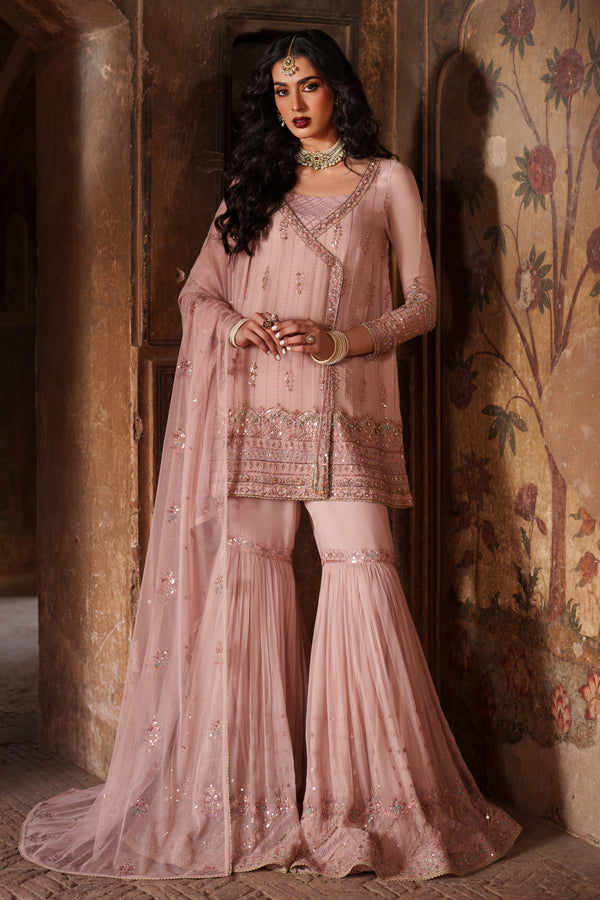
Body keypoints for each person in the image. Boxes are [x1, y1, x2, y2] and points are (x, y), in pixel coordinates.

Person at [20, 30, 520, 880]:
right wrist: (234, 322)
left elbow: (425, 303)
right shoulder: (255, 186)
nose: (295, 104)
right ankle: (243, 799)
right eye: (282, 90)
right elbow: (197, 292)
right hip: (253, 411)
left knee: (362, 574)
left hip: (347, 412)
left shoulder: (386, 181)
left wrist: (341, 340)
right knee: (247, 583)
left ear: (339, 91)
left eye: (310, 86)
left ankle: (364, 806)